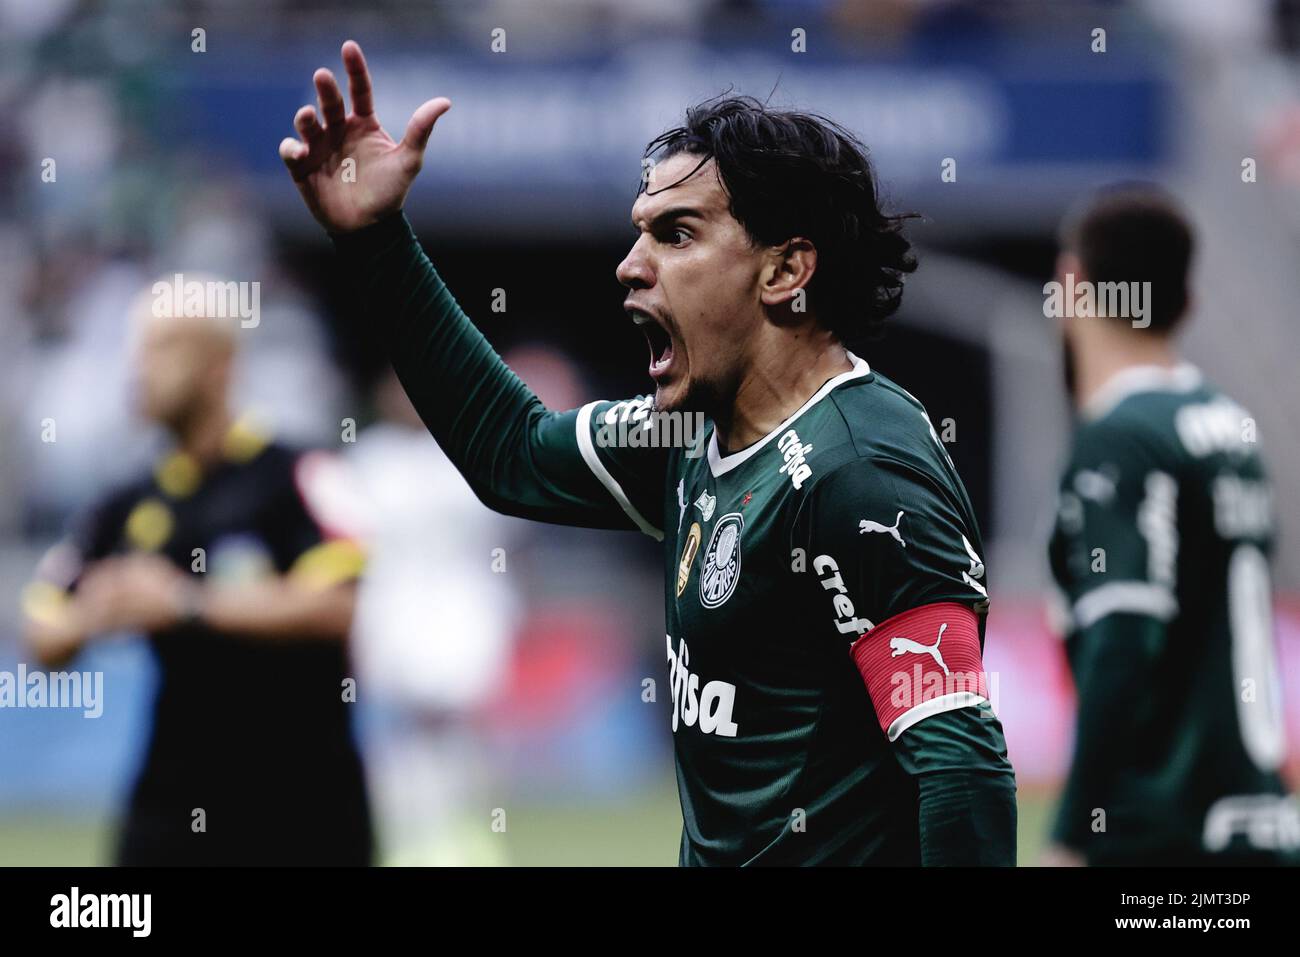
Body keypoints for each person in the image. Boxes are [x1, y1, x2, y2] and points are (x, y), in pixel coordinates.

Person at [279, 41, 1016, 866]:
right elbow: (511, 451)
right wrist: (377, 239)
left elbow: (959, 763)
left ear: (785, 268)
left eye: (677, 234)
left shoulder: (862, 473)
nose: (631, 268)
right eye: (640, 236)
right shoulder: (690, 435)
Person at [22, 282, 372, 866]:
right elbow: (42, 627)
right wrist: (98, 610)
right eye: (139, 350)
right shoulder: (125, 503)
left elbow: (338, 608)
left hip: (303, 806)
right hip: (172, 803)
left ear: (219, 366)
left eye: (163, 348)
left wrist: (186, 603)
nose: (140, 369)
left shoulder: (299, 475)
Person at [1044, 186, 1297, 866]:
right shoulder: (1231, 426)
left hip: (1167, 841)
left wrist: (1072, 834)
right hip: (1260, 824)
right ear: (1189, 302)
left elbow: (1124, 638)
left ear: (1071, 284)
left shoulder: (1122, 439)